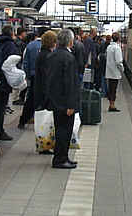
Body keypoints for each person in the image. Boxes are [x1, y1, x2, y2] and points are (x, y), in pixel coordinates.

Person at [46, 29, 79, 169]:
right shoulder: (69, 58)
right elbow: (70, 83)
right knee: (64, 132)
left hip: (56, 100)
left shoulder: (52, 55)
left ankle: (63, 157)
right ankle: (60, 159)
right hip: (65, 102)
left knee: (60, 129)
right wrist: (71, 104)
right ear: (70, 42)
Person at [34, 30, 57, 154]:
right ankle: (44, 145)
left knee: (43, 119)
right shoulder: (47, 56)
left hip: (40, 90)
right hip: (44, 92)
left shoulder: (42, 54)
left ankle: (43, 144)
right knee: (45, 120)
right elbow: (47, 76)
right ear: (52, 42)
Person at [18, 29, 45, 129]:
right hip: (45, 78)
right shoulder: (48, 47)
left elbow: (25, 62)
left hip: (33, 77)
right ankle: (42, 123)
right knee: (44, 100)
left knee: (30, 99)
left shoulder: (30, 45)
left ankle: (23, 121)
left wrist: (28, 75)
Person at [0, 25, 19, 141]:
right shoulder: (10, 46)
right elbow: (11, 65)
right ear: (12, 34)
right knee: (1, 107)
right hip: (5, 80)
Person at [105, 32, 124, 112]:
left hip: (109, 71)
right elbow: (118, 61)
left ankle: (111, 104)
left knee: (110, 88)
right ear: (118, 38)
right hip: (115, 72)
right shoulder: (117, 48)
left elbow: (107, 57)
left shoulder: (109, 47)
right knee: (113, 89)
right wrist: (122, 69)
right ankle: (112, 106)